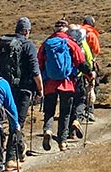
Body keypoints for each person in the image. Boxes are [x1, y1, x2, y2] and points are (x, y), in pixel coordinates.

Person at [0, 18, 40, 169]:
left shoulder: (3, 43)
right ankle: (11, 158)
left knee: (1, 121)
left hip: (3, 88)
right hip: (23, 90)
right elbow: (35, 70)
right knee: (17, 122)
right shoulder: (28, 45)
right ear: (26, 31)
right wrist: (40, 89)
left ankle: (18, 150)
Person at [36, 21, 88, 151]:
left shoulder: (46, 43)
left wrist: (40, 81)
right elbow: (81, 63)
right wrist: (90, 74)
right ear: (65, 30)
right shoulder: (71, 43)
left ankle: (47, 130)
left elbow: (39, 63)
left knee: (49, 111)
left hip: (49, 84)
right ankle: (62, 141)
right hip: (67, 83)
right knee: (65, 113)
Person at [75, 16, 104, 123]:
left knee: (80, 88)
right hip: (89, 64)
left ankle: (78, 111)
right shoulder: (91, 34)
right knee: (92, 86)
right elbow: (96, 50)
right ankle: (89, 111)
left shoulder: (77, 33)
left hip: (76, 65)